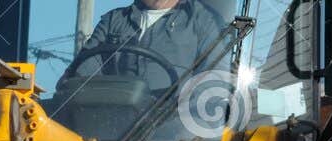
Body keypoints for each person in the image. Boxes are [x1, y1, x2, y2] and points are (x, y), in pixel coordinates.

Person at [79, 0, 229, 90]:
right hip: (110, 131)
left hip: (173, 136)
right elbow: (80, 75)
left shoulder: (204, 21)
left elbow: (215, 81)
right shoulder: (113, 21)